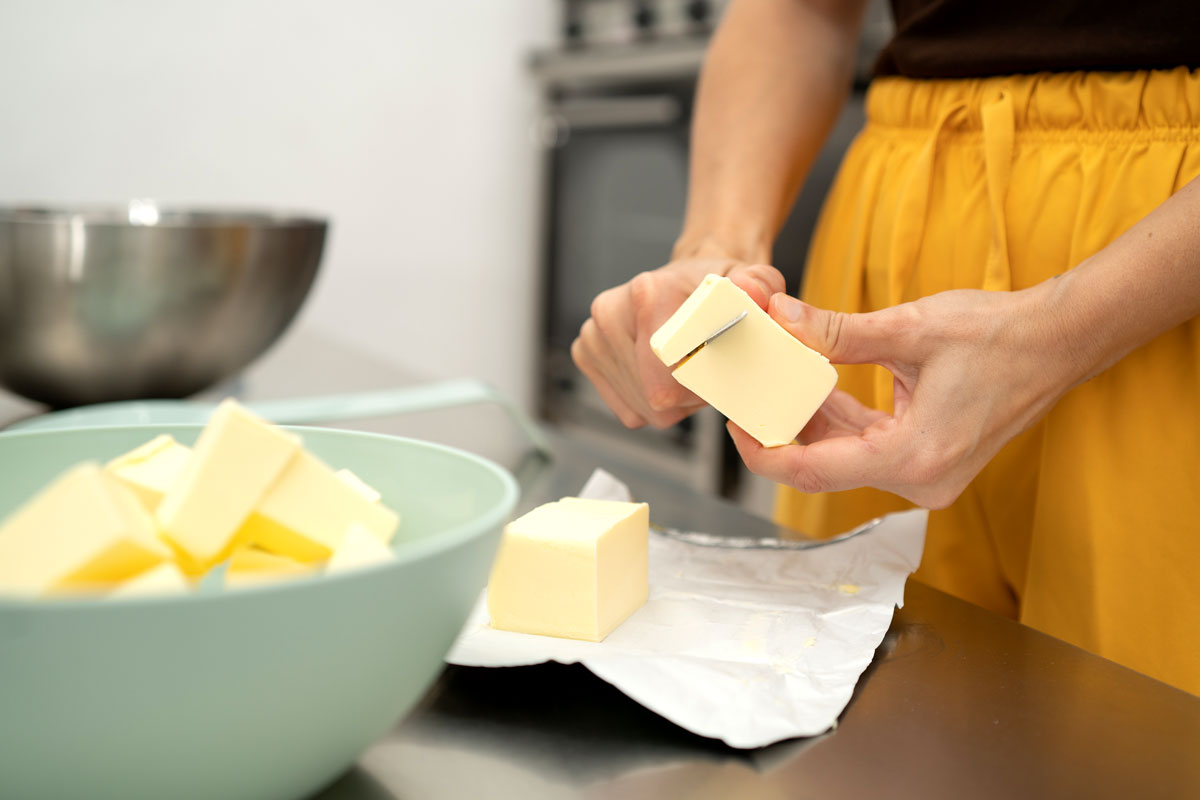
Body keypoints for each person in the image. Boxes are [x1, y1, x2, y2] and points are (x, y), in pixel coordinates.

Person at [570, 0, 1200, 695]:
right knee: (857, 716)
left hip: (1160, 289)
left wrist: (1064, 324)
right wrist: (715, 253)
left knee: (1131, 738)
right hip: (896, 254)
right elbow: (798, 13)